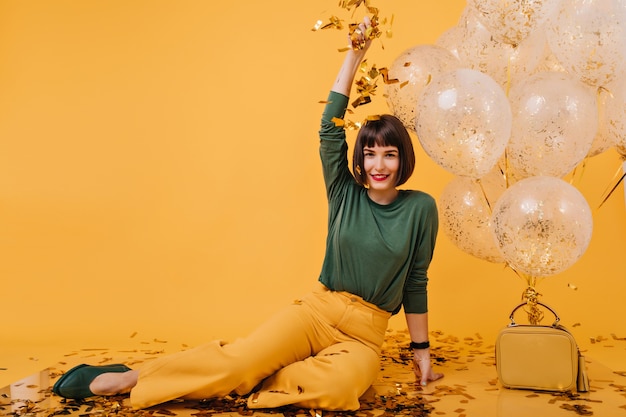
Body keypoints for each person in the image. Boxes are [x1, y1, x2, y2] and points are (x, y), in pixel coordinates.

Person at [52, 17, 443, 411]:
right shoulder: (345, 193)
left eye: (389, 155)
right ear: (360, 158)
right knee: (240, 359)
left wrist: (421, 352)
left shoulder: (420, 209)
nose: (379, 164)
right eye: (370, 153)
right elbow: (329, 128)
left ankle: (244, 377)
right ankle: (136, 376)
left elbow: (415, 281)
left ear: (402, 160)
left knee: (341, 388)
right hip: (317, 312)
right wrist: (355, 58)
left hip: (364, 336)